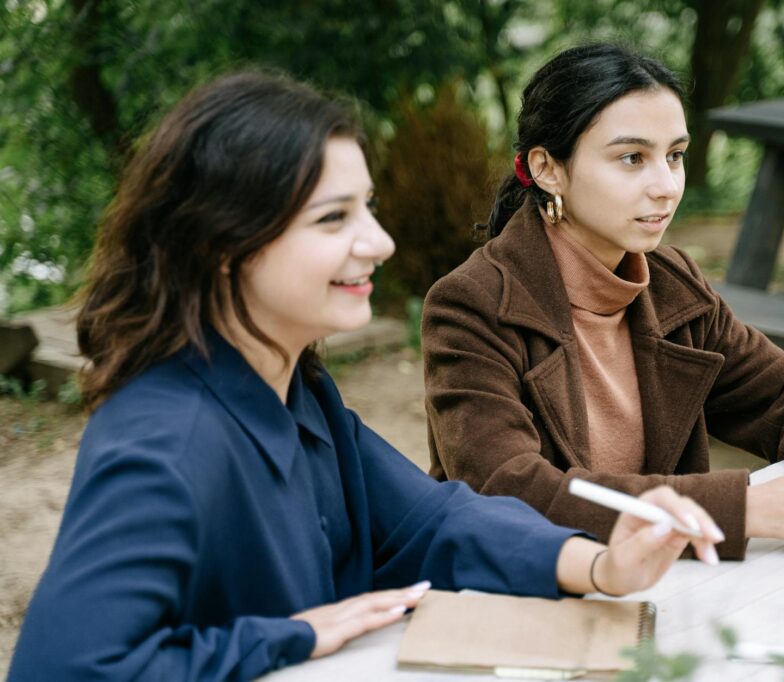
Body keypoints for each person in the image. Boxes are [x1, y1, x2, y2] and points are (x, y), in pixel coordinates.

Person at [8, 71, 724, 681]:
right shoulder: (164, 437)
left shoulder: (297, 393)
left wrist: (598, 565)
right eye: (333, 218)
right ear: (222, 246)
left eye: (369, 208)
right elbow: (67, 667)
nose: (378, 242)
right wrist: (293, 635)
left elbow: (433, 520)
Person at [421, 44, 784, 561]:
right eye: (632, 158)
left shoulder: (671, 282)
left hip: (671, 583)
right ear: (547, 168)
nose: (666, 186)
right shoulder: (471, 306)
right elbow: (508, 490)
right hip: (535, 596)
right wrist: (741, 510)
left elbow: (779, 394)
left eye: (674, 156)